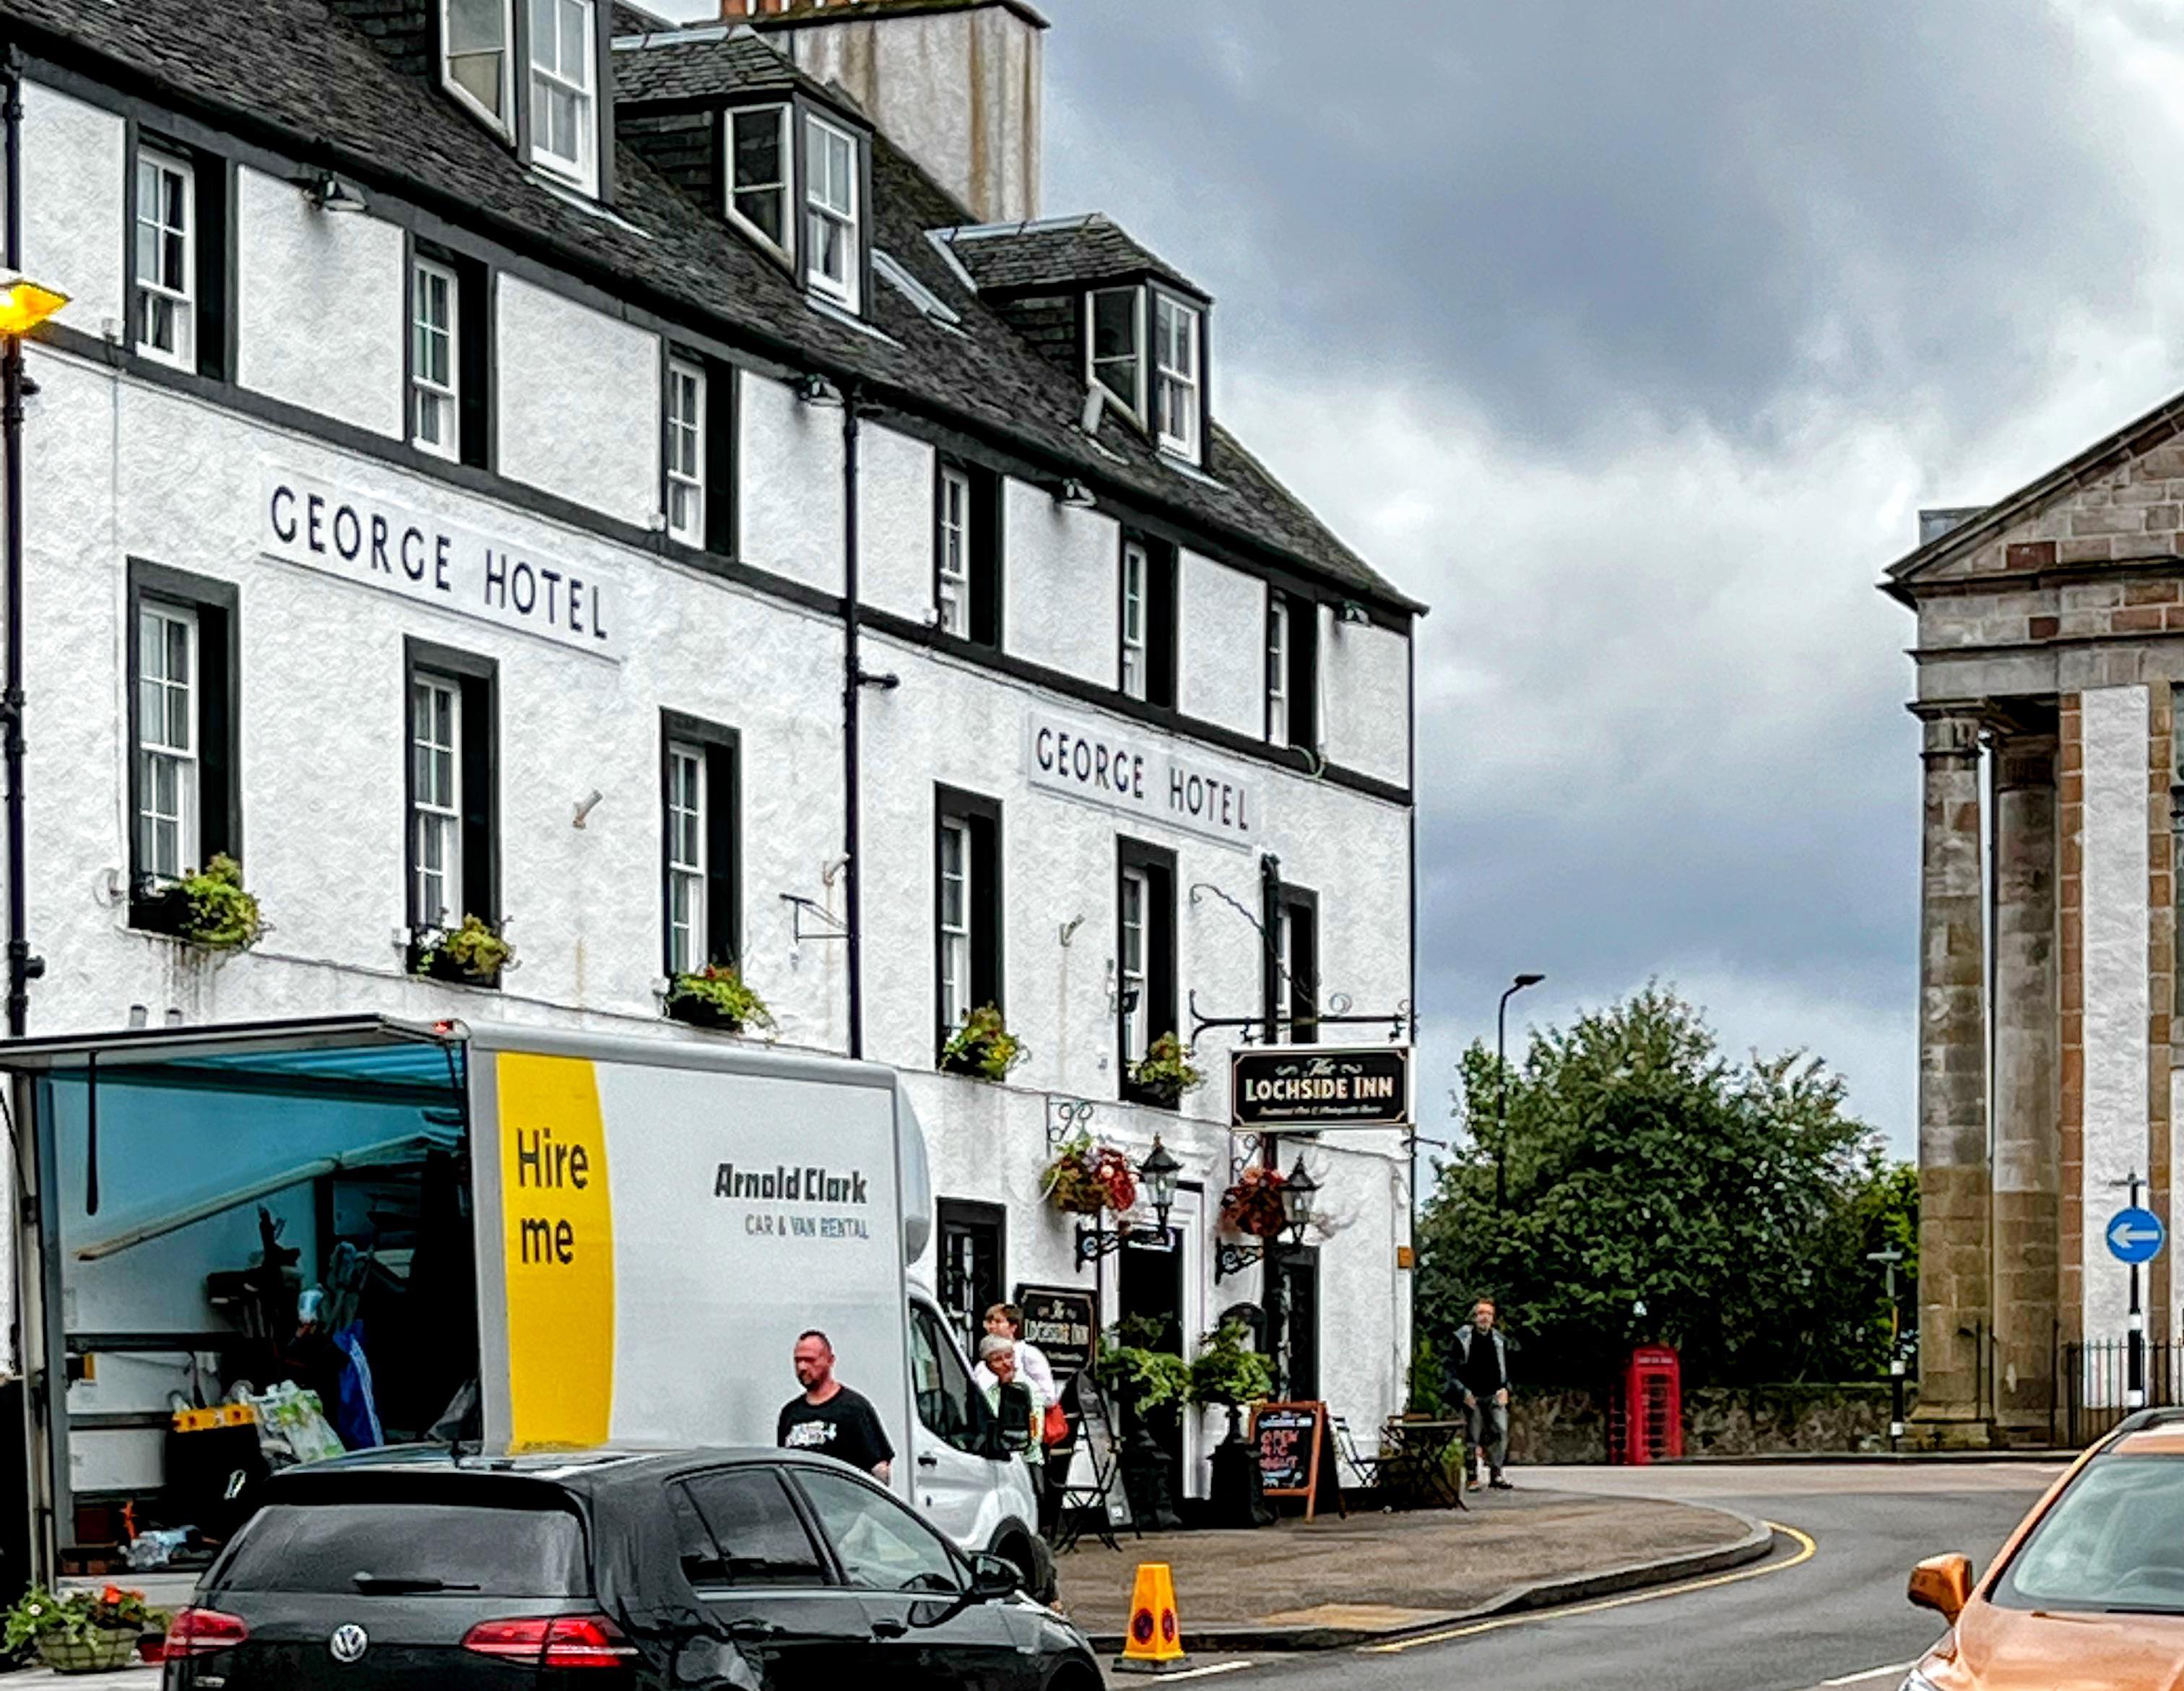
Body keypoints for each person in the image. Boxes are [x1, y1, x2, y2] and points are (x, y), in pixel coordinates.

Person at [777, 1329, 894, 1482]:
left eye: (810, 1360)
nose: (802, 1367)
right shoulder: (790, 1413)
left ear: (830, 1360)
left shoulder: (855, 1409)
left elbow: (880, 1469)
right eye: (798, 1361)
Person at [1450, 1297, 1513, 1492]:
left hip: (1495, 1393)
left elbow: (1511, 1367)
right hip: (1472, 1395)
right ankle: (1472, 1477)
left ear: (1493, 1318)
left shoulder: (1500, 1341)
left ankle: (1497, 1474)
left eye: (1488, 1314)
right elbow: (1450, 1369)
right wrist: (1462, 1392)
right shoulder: (1462, 1339)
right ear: (1474, 1317)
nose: (1484, 1318)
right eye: (1481, 1314)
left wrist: (1507, 1389)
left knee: (1500, 1432)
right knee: (1472, 1437)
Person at [977, 1334, 1045, 1472]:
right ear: (988, 1366)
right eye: (998, 1360)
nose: (1006, 1363)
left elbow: (1035, 1435)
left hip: (1026, 1464)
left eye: (1009, 1356)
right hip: (996, 1463)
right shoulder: (990, 1393)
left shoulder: (1029, 1389)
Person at [971, 1303, 1057, 1404]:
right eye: (990, 1322)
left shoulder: (1029, 1355)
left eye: (998, 1322)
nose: (992, 1326)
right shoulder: (982, 1364)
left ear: (1013, 1327)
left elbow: (1049, 1398)